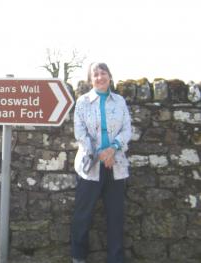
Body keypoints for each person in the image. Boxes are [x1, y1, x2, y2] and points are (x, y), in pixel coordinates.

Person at [71, 62, 132, 263]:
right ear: (91, 80)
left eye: (103, 72)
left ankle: (116, 259)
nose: (99, 77)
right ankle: (78, 257)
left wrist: (113, 148)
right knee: (82, 215)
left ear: (110, 76)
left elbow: (127, 130)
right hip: (90, 166)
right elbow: (80, 132)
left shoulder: (120, 101)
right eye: (95, 74)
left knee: (115, 216)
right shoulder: (82, 102)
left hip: (116, 166)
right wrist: (100, 153)